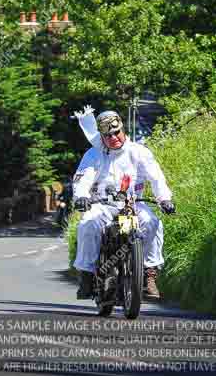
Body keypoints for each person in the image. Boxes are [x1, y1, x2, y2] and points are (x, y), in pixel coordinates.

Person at [72, 109, 175, 300]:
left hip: (131, 206)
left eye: (116, 132)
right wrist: (81, 196)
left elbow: (156, 177)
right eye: (108, 135)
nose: (114, 138)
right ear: (101, 135)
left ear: (123, 129)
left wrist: (164, 198)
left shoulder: (139, 152)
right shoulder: (93, 154)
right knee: (88, 224)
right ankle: (86, 275)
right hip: (102, 206)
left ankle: (148, 275)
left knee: (151, 222)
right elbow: (83, 179)